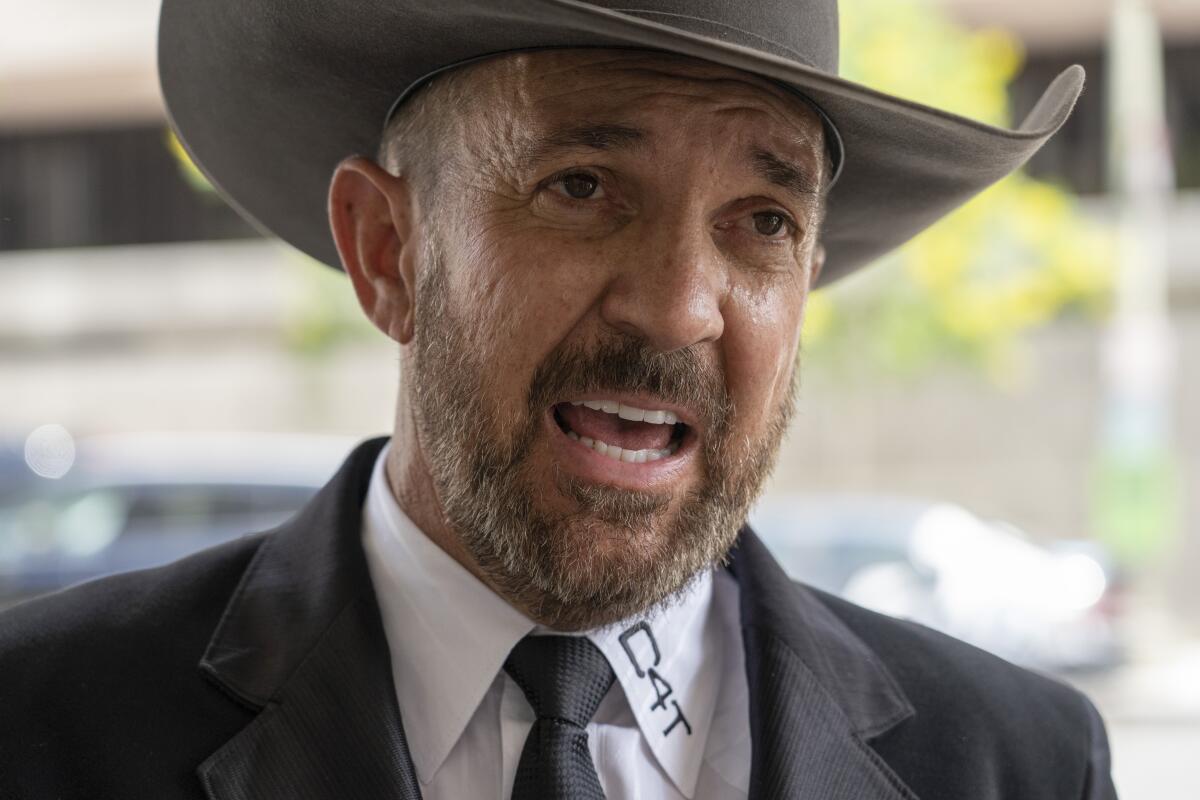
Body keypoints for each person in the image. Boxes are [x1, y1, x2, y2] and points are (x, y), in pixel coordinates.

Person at [0, 1, 1117, 798]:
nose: (678, 306)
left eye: (762, 220)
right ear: (389, 249)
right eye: (581, 188)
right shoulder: (39, 726)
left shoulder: (1017, 764)